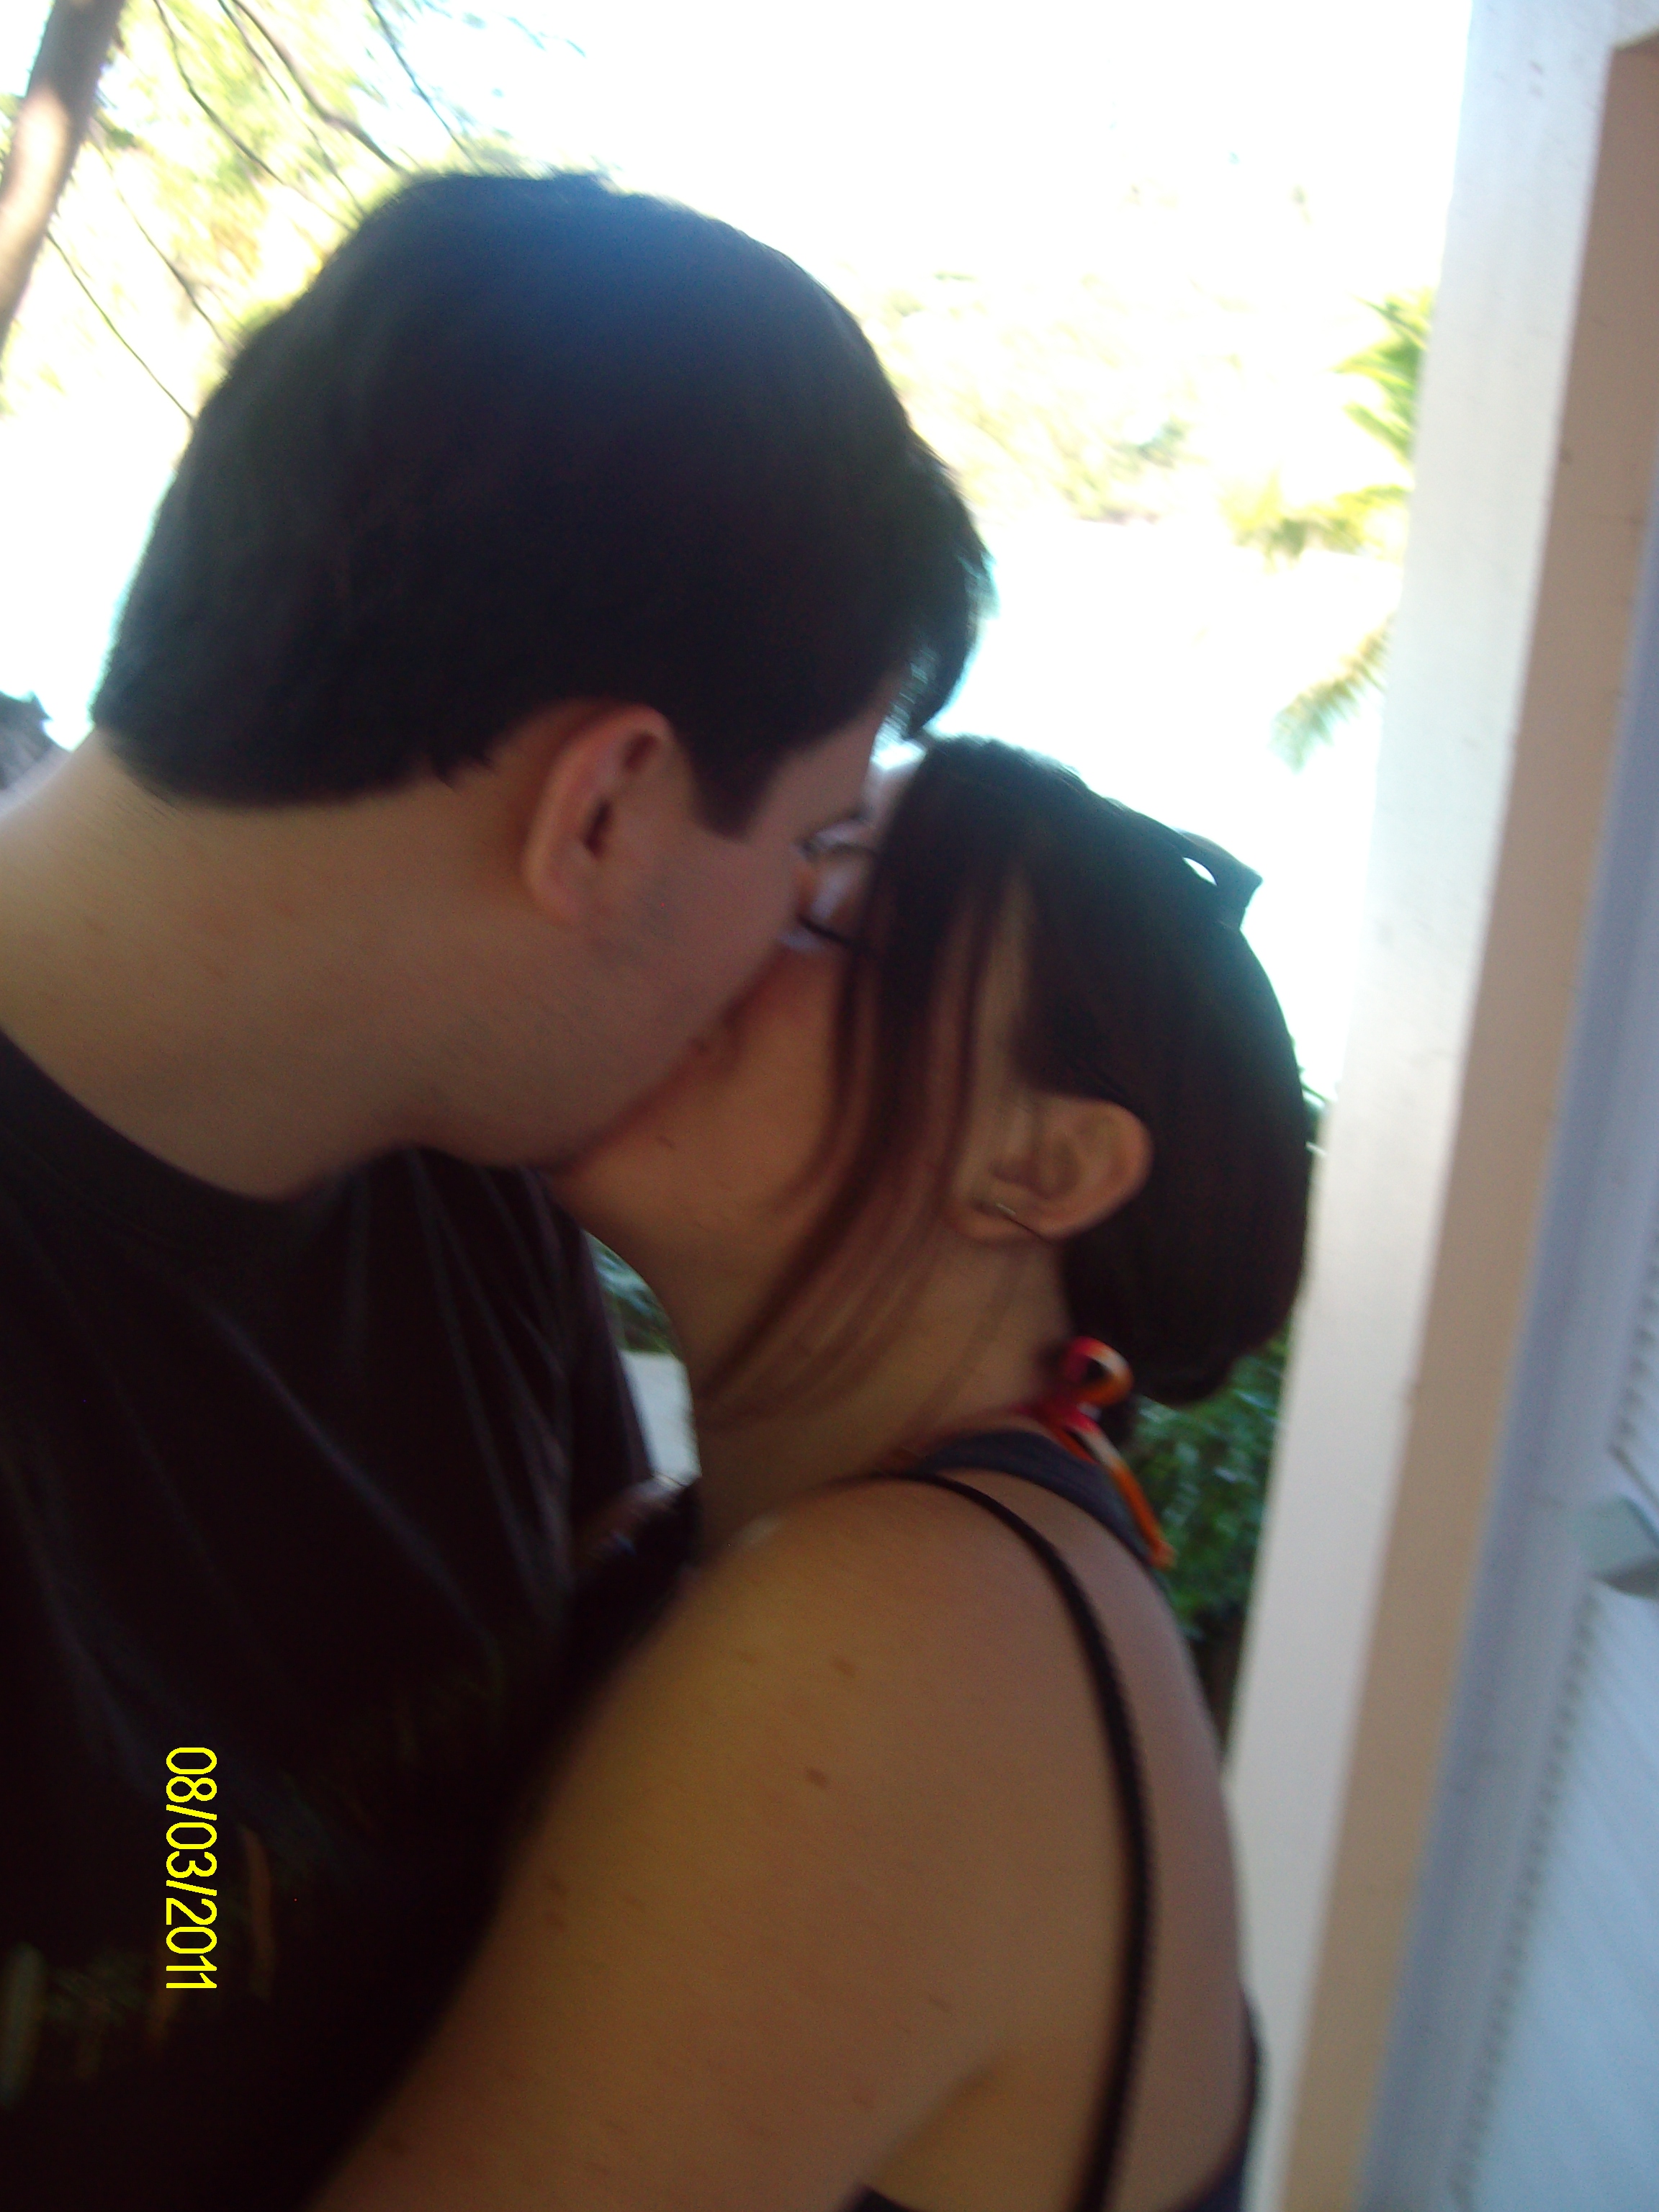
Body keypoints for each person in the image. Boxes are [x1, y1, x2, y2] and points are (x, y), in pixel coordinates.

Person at [0, 172, 987, 2211]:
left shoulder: (466, 1177)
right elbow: (198, 1879)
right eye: (811, 853)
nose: (788, 952)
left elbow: (213, 1875)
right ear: (607, 809)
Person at [311, 736, 1313, 2212]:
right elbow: (212, 1898)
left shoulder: (911, 1635)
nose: (711, 925)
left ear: (1040, 1169)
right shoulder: (699, 1551)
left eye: (823, 909)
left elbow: (198, 1902)